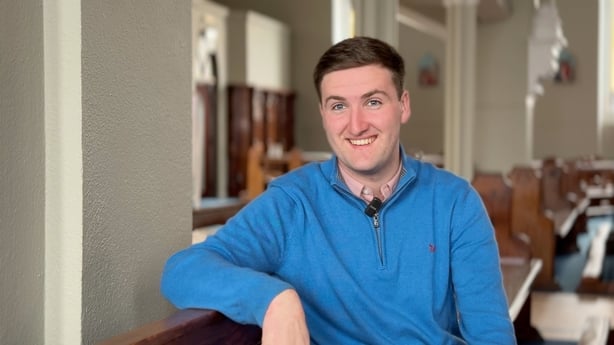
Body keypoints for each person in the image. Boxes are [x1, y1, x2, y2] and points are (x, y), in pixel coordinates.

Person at [161, 36, 516, 344]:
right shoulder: (291, 203)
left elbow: (492, 336)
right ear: (322, 113)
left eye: (373, 102)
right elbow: (182, 270)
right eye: (339, 106)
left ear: (403, 106)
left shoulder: (456, 202)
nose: (356, 124)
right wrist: (273, 299)